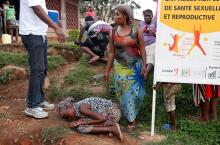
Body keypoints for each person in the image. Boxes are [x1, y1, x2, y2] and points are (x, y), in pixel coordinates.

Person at [19, 0, 65, 119]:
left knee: (42, 68)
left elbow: (41, 9)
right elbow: (37, 9)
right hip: (32, 34)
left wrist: (55, 20)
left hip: (39, 34)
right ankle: (32, 106)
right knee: (37, 69)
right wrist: (55, 27)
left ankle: (39, 101)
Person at [104, 4, 147, 130]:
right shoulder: (112, 32)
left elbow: (142, 49)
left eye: (118, 14)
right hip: (120, 68)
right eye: (115, 14)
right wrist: (107, 70)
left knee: (136, 95)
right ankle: (131, 120)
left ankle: (132, 114)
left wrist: (144, 65)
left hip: (135, 68)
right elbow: (111, 52)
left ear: (125, 16)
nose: (115, 16)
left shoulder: (136, 29)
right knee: (124, 94)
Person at [57, 97, 123, 142]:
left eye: (67, 115)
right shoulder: (77, 108)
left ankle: (112, 128)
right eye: (66, 117)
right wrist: (76, 122)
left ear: (70, 106)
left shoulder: (82, 108)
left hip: (113, 114)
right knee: (79, 124)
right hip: (108, 114)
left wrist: (84, 123)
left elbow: (103, 118)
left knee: (80, 127)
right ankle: (109, 128)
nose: (69, 118)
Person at [139, 9, 156, 78]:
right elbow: (138, 33)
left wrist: (152, 32)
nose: (147, 17)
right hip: (143, 45)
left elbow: (159, 34)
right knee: (144, 60)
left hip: (153, 43)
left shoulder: (155, 23)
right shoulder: (141, 23)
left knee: (152, 57)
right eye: (145, 16)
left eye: (148, 16)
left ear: (152, 16)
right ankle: (143, 70)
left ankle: (146, 72)